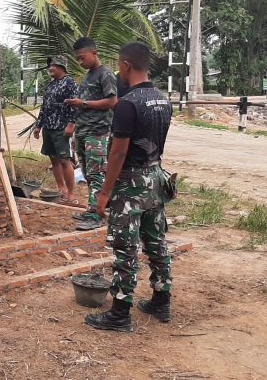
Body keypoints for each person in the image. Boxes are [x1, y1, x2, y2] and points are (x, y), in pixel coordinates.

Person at [84, 42, 173, 332]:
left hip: (131, 185)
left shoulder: (127, 103)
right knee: (156, 241)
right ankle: (162, 299)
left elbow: (118, 153)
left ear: (124, 65)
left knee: (125, 248)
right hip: (156, 179)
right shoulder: (162, 99)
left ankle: (120, 313)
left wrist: (105, 192)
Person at [64, 37, 117, 232]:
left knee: (96, 173)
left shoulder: (106, 74)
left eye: (82, 57)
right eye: (77, 59)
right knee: (87, 173)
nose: (80, 62)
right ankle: (92, 208)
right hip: (83, 131)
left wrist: (83, 104)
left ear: (94, 53)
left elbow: (112, 102)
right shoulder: (88, 76)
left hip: (98, 132)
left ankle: (96, 215)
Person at [32, 55, 79, 204]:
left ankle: (71, 193)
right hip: (48, 127)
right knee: (53, 158)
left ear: (62, 67)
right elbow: (44, 107)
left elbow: (74, 105)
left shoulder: (70, 83)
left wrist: (71, 124)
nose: (50, 68)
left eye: (53, 65)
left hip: (62, 128)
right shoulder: (50, 85)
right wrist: (38, 125)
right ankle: (61, 189)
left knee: (65, 160)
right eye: (49, 65)